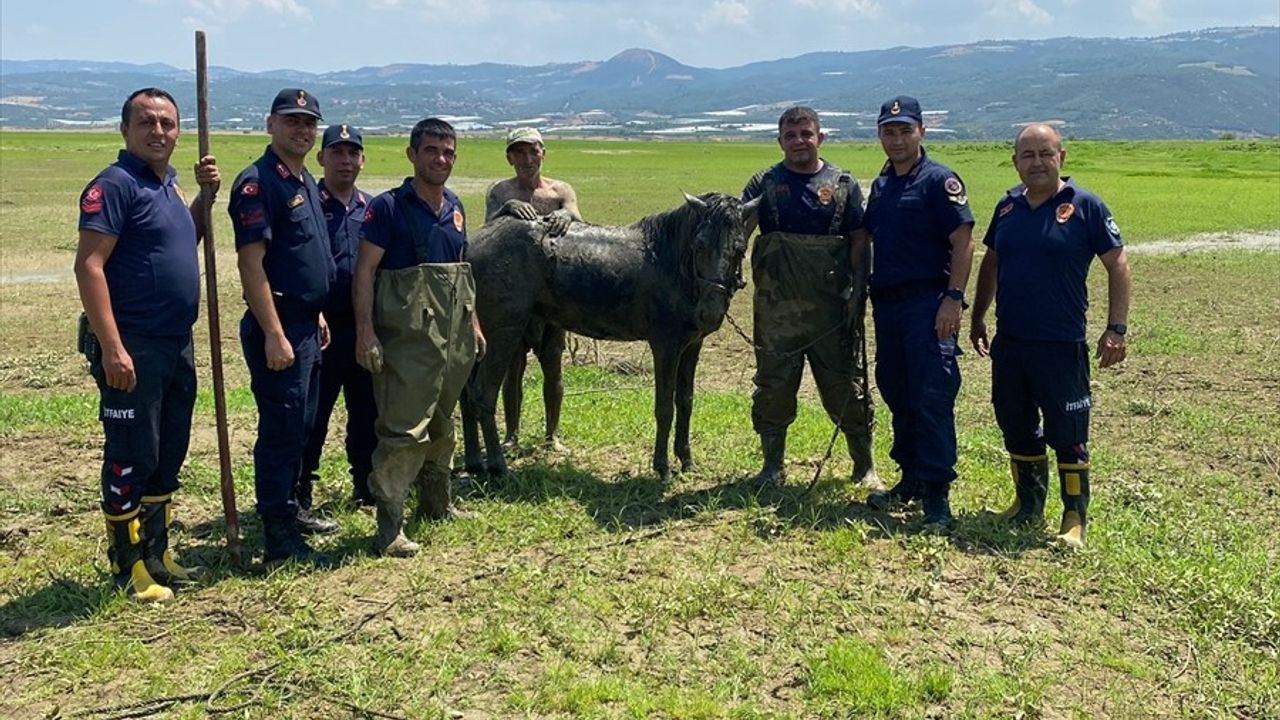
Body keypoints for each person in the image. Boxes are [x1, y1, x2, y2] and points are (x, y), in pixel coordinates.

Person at [75, 87, 220, 601]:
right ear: (125, 130)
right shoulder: (114, 185)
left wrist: (204, 199)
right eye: (147, 122)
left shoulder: (168, 185)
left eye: (167, 123)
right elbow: (89, 266)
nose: (159, 131)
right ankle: (128, 565)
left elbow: (180, 242)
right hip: (134, 344)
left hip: (175, 342)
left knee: (167, 451)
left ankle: (158, 554)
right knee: (131, 453)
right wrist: (113, 348)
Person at [970, 123, 1131, 548]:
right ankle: (1027, 505)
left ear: (1062, 157)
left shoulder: (1085, 205)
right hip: (1011, 342)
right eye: (1028, 155)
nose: (1037, 162)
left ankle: (1074, 517)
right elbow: (992, 262)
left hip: (1061, 344)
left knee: (1068, 432)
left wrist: (1116, 328)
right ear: (1015, 162)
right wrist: (978, 316)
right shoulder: (1007, 207)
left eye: (1045, 153)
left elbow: (1117, 264)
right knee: (1016, 423)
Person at [354, 117, 485, 557]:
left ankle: (437, 503)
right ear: (412, 154)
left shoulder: (455, 206)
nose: (440, 159)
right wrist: (365, 332)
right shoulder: (388, 208)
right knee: (404, 428)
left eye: (448, 152)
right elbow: (365, 272)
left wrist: (475, 326)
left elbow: (463, 272)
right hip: (407, 338)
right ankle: (389, 526)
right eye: (431, 150)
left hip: (453, 337)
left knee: (443, 421)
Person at [741, 106, 880, 491]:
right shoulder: (764, 184)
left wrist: (858, 293)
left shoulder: (842, 184)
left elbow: (859, 241)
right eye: (790, 135)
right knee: (773, 386)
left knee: (846, 387)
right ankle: (772, 466)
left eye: (806, 133)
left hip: (832, 310)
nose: (799, 141)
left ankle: (865, 466)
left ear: (821, 137)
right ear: (780, 141)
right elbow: (740, 231)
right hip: (776, 311)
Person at [228, 88, 336, 566]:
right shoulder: (258, 183)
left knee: (303, 425)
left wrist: (316, 311)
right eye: (291, 121)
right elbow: (252, 264)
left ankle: (292, 510)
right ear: (270, 124)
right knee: (282, 430)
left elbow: (299, 256)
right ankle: (278, 537)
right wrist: (274, 332)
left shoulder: (303, 178)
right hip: (279, 327)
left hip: (306, 325)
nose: (302, 130)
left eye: (309, 123)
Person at [860, 96, 975, 529]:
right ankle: (910, 479)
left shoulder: (939, 180)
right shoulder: (883, 184)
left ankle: (937, 498)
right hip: (888, 306)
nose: (897, 139)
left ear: (922, 132)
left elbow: (963, 242)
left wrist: (954, 298)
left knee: (931, 398)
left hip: (929, 304)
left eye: (905, 131)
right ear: (880, 136)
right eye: (889, 132)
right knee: (897, 392)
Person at [294, 123, 377, 533]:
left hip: (363, 328)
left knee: (367, 412)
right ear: (321, 157)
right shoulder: (308, 203)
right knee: (313, 416)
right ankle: (300, 495)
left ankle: (366, 485)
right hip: (320, 330)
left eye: (352, 153)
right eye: (337, 152)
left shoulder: (372, 209)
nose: (345, 160)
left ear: (362, 160)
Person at [483, 127, 583, 452]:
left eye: (533, 152)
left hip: (554, 295)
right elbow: (487, 233)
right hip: (514, 294)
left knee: (553, 366)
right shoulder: (501, 192)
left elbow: (581, 224)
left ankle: (552, 434)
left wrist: (566, 216)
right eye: (519, 153)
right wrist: (507, 209)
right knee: (512, 368)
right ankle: (511, 434)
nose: (527, 159)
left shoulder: (560, 190)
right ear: (509, 158)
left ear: (543, 154)